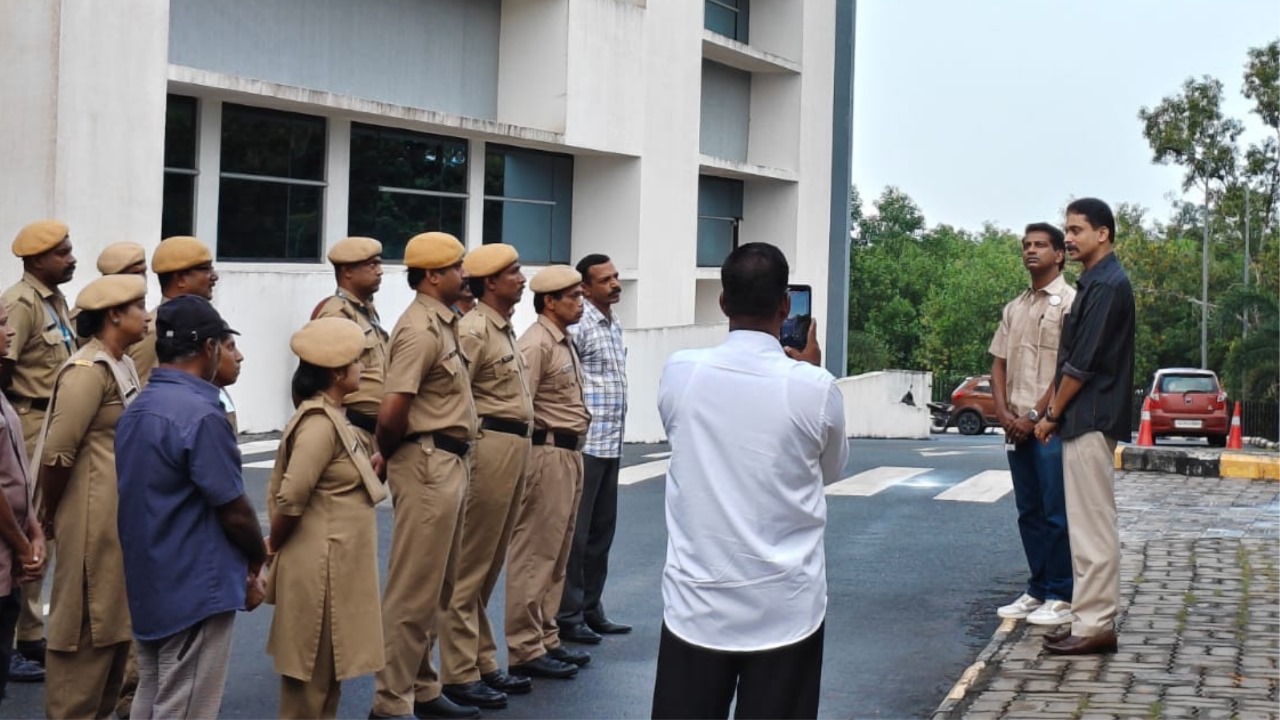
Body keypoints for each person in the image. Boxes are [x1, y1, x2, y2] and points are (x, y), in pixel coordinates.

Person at [651, 242, 847, 719]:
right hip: (785, 603)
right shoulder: (814, 386)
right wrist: (808, 370)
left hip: (697, 601)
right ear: (786, 305)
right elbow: (829, 470)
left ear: (723, 302)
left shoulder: (681, 371)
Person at [115, 295, 267, 717]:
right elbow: (233, 508)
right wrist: (256, 559)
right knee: (186, 707)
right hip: (195, 584)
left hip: (151, 579)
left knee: (153, 695)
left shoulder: (138, 408)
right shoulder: (201, 414)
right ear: (208, 348)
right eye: (225, 344)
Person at [370, 232, 479, 720]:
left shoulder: (445, 321)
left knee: (439, 586)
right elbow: (394, 409)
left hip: (449, 460)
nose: (465, 275)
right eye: (457, 267)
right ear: (433, 275)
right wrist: (387, 453)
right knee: (413, 590)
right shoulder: (419, 328)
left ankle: (424, 688)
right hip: (427, 462)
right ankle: (391, 701)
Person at [36, 275, 148, 718]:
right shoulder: (88, 371)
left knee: (113, 629)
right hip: (90, 514)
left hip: (115, 514)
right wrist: (47, 514)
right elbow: (57, 452)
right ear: (114, 315)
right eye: (138, 306)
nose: (146, 314)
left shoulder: (123, 363)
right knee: (84, 626)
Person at [266, 317, 387, 719]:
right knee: (310, 683)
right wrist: (272, 547)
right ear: (338, 373)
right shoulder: (318, 422)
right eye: (357, 362)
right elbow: (292, 495)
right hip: (320, 570)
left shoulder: (335, 415)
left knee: (327, 679)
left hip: (334, 565)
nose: (364, 369)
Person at [1035, 198, 1135, 656]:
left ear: (1104, 234)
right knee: (1082, 524)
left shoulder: (1109, 285)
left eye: (1076, 231)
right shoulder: (1095, 282)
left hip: (1092, 416)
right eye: (1067, 230)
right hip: (1084, 418)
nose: (1069, 239)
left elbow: (1083, 362)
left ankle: (1096, 624)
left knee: (1093, 524)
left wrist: (1052, 413)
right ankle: (1086, 617)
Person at [440, 244, 533, 710]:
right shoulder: (474, 329)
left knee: (490, 562)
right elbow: (459, 394)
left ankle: (481, 661)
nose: (521, 277)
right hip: (489, 446)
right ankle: (458, 671)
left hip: (514, 446)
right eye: (512, 272)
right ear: (489, 283)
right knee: (470, 567)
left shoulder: (503, 327)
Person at [505, 265, 592, 681]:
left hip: (570, 454)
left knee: (557, 553)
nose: (580, 302)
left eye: (580, 295)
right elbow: (521, 406)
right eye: (572, 297)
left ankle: (546, 636)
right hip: (547, 453)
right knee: (535, 553)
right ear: (549, 302)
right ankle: (524, 646)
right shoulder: (535, 343)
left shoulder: (563, 341)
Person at [990, 223, 1077, 627]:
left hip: (1050, 426)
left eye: (1040, 245)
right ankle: (1038, 588)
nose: (1031, 251)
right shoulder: (1015, 307)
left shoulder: (1071, 302)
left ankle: (1062, 593)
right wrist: (1005, 414)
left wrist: (1033, 416)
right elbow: (998, 364)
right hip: (1017, 425)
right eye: (1026, 245)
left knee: (1055, 511)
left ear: (1059, 254)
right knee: (1028, 511)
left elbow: (1066, 369)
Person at [0, 219, 76, 680]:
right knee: (23, 524)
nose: (70, 259)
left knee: (42, 526)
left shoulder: (54, 299)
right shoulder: (21, 303)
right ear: (36, 260)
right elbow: (5, 367)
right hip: (26, 422)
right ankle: (17, 641)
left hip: (50, 420)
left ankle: (29, 633)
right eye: (62, 253)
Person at [558, 254, 630, 643]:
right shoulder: (581, 324)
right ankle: (568, 615)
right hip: (587, 444)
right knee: (578, 536)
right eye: (605, 280)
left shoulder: (613, 323)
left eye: (616, 277)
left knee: (602, 534)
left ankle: (591, 607)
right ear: (585, 288)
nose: (615, 284)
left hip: (612, 443)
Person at [0, 301, 48, 702]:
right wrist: (22, 545)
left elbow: (16, 475)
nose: (9, 332)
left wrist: (33, 529)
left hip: (10, 551)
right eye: (1, 325)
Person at [310, 236, 389, 445]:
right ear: (347, 272)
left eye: (379, 264)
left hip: (373, 431)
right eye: (372, 265)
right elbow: (313, 378)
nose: (380, 271)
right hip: (353, 429)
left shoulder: (366, 311)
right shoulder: (335, 314)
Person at [129, 235, 219, 384]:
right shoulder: (154, 331)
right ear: (181, 279)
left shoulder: (200, 323)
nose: (214, 277)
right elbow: (143, 392)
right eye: (206, 269)